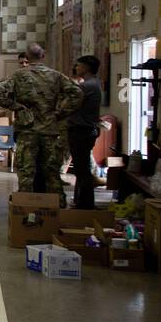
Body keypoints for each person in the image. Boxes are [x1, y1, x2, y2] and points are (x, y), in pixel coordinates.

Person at [0, 43, 84, 205]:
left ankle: (26, 206)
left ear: (27, 57)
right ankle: (57, 206)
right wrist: (61, 113)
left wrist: (16, 106)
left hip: (27, 130)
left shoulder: (19, 75)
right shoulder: (55, 75)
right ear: (43, 55)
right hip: (50, 129)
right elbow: (77, 92)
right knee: (51, 170)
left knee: (27, 171)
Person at [67, 55, 103, 209]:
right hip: (84, 130)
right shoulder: (91, 84)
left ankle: (85, 204)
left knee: (82, 170)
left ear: (87, 68)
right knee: (81, 169)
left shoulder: (87, 86)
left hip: (81, 131)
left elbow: (67, 100)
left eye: (79, 65)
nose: (76, 68)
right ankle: (81, 200)